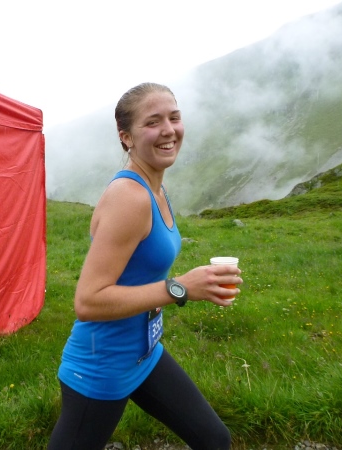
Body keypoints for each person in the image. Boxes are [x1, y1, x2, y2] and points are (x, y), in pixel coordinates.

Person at [47, 83, 243, 450]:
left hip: (145, 355)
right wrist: (179, 288)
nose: (169, 130)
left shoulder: (156, 188)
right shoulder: (129, 197)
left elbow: (137, 271)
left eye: (174, 118)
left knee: (214, 439)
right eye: (153, 122)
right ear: (126, 137)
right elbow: (88, 301)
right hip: (101, 368)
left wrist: (172, 291)